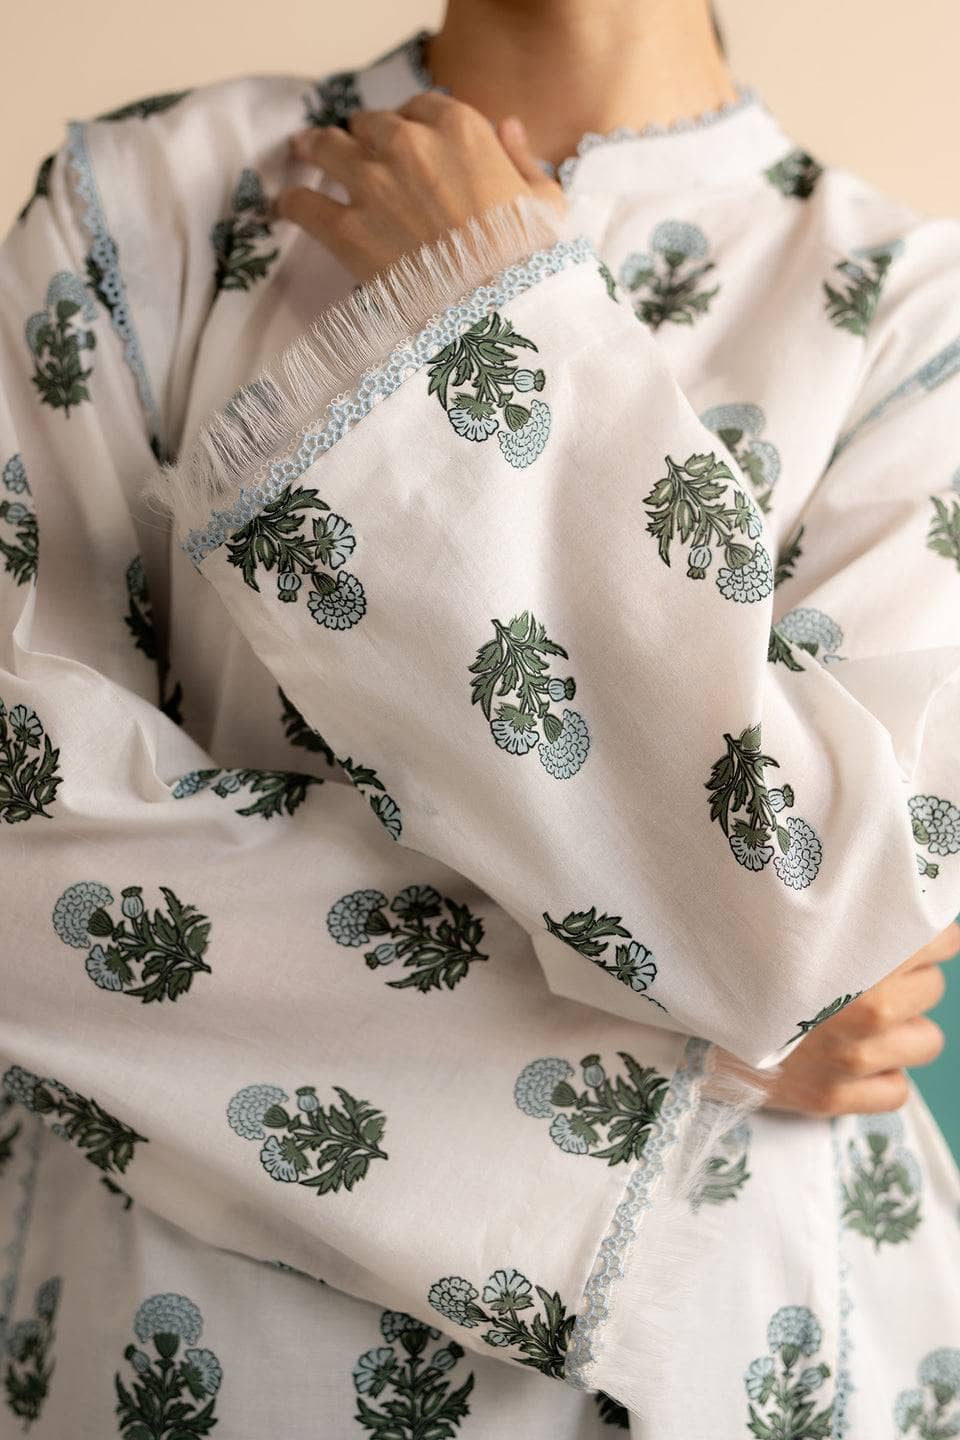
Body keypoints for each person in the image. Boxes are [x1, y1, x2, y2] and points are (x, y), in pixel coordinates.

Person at [1, 1, 958, 1433]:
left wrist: (498, 308)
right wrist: (682, 1059)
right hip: (197, 1346)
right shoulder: (147, 203)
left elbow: (798, 925)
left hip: (731, 1343)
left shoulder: (914, 313)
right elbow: (24, 830)